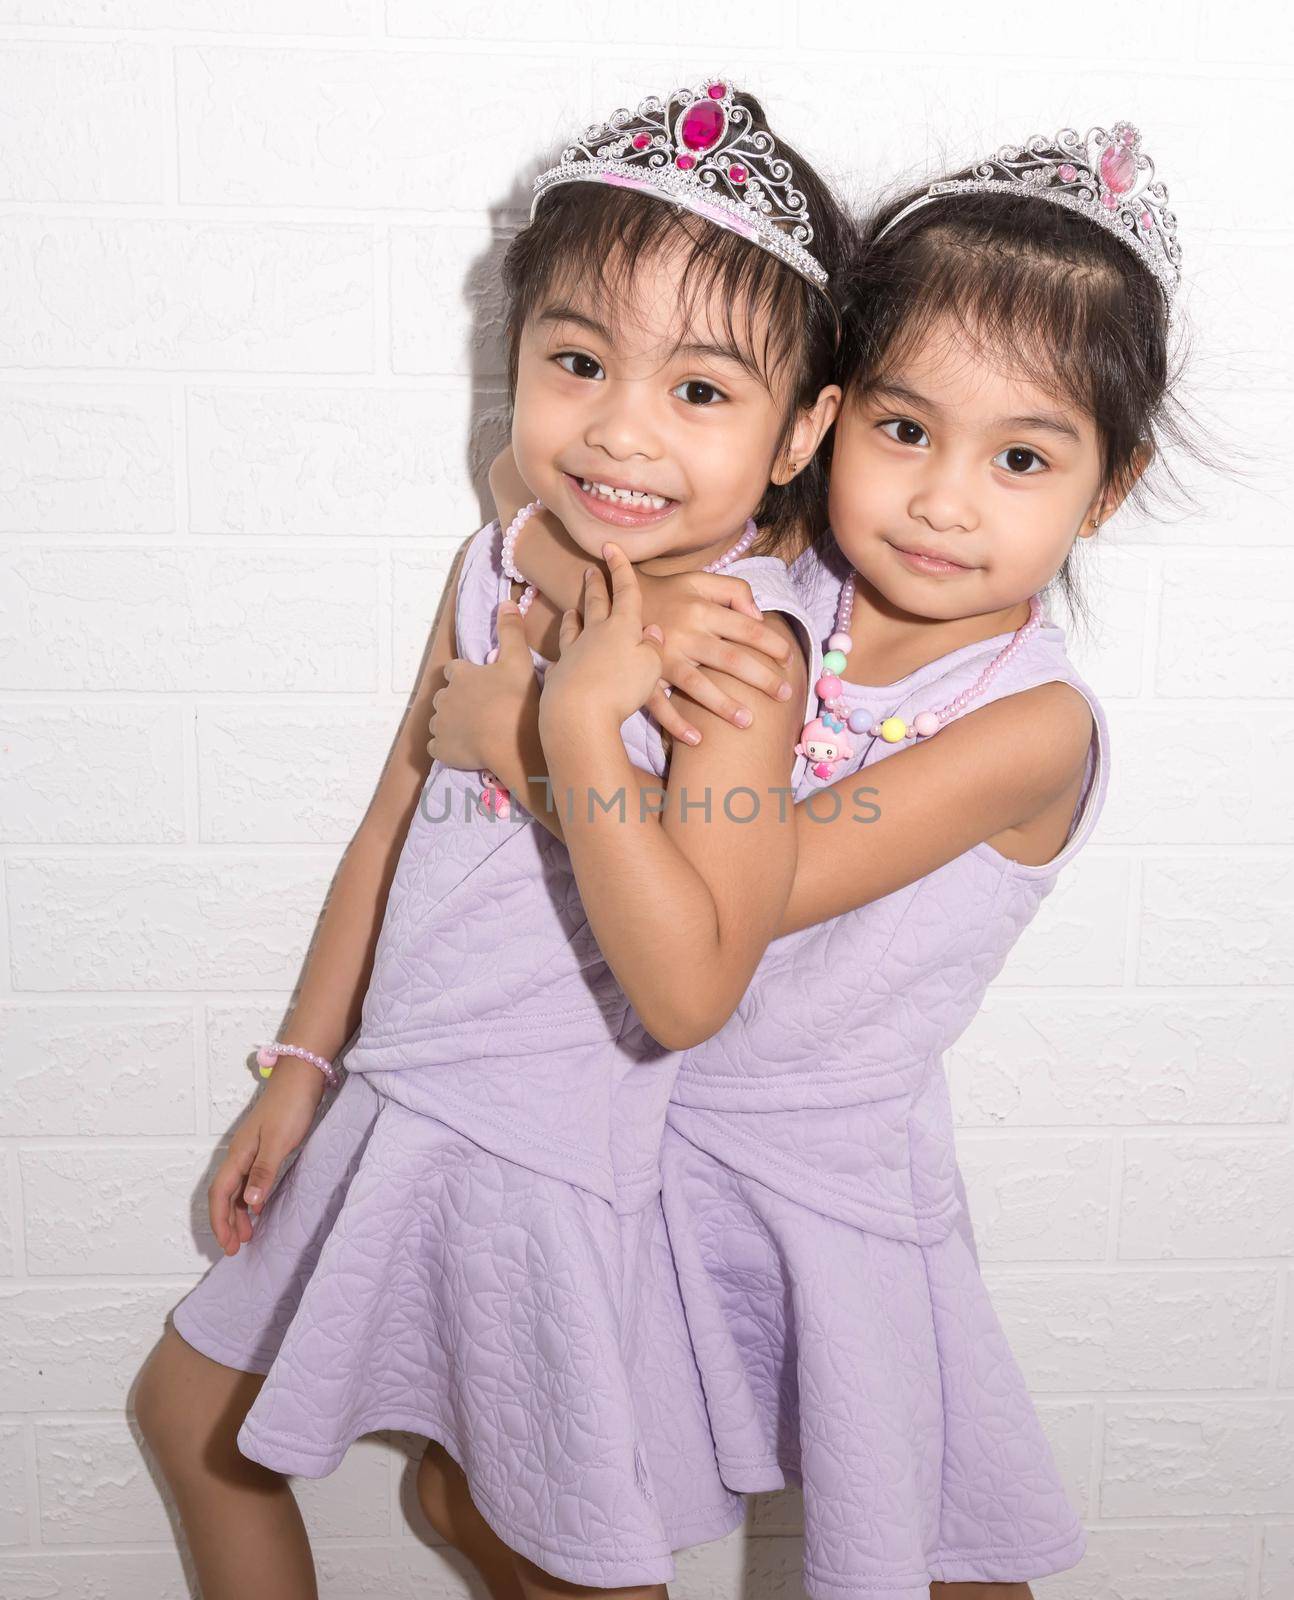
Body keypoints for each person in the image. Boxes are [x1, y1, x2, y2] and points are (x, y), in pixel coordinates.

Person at [133, 77, 850, 1600]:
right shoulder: (500, 556)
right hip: (397, 1104)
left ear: (801, 433)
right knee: (207, 1422)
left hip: (543, 1164)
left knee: (562, 1550)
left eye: (701, 393)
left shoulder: (731, 659)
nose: (620, 430)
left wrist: (560, 722)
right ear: (513, 357)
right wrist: (302, 1067)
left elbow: (690, 989)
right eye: (576, 360)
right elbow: (399, 812)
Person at [474, 120, 1188, 1599]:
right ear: (824, 423)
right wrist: (621, 612)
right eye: (905, 431)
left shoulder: (1030, 727)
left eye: (1021, 457)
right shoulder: (783, 575)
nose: (940, 499)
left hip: (824, 1178)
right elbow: (520, 492)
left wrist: (540, 740)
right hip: (642, 1132)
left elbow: (753, 881)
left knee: (912, 1544)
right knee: (522, 1493)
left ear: (1101, 492)